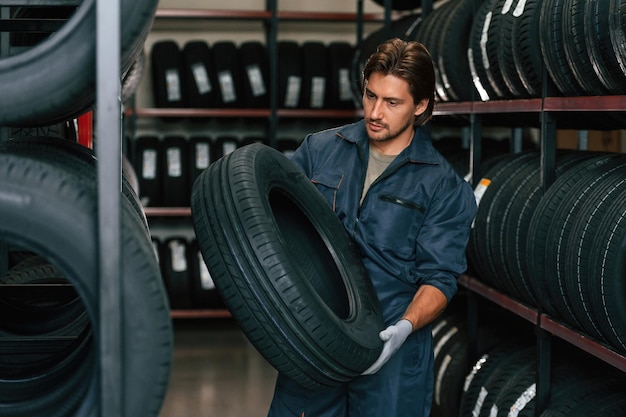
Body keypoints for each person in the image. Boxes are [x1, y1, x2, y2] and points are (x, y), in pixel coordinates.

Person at [267, 38, 477, 417]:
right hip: (317, 338)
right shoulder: (319, 150)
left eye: (392, 102)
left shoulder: (444, 186)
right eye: (370, 95)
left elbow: (440, 278)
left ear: (421, 105)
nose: (376, 112)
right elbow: (276, 225)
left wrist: (403, 329)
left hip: (390, 351)